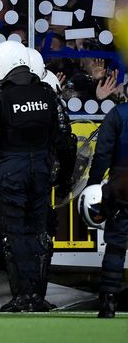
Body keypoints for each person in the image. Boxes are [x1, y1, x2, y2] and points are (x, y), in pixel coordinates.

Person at [0, 41, 74, 312]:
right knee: (38, 232)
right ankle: (37, 295)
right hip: (41, 169)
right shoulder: (47, 94)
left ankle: (22, 297)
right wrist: (63, 180)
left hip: (11, 170)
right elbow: (64, 141)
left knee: (14, 234)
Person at [86, 101, 128, 318]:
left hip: (122, 185)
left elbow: (102, 155)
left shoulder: (117, 114)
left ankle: (108, 303)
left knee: (116, 246)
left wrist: (92, 185)